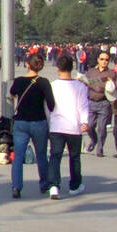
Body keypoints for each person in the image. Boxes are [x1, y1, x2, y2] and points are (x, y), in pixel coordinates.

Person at [9, 51, 55, 199]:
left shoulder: (18, 81)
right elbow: (51, 104)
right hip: (38, 122)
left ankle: (16, 187)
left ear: (27, 65)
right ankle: (44, 184)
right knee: (41, 155)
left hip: (21, 122)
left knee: (18, 156)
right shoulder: (43, 82)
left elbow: (11, 94)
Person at [46, 53, 89, 197]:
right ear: (72, 67)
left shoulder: (52, 86)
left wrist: (48, 121)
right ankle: (75, 185)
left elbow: (48, 107)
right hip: (73, 126)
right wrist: (84, 121)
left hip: (56, 126)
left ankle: (53, 185)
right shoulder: (80, 86)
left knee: (55, 156)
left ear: (57, 68)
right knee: (74, 157)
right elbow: (83, 106)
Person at [83, 50, 114, 155]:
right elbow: (85, 82)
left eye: (106, 60)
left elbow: (112, 88)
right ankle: (94, 139)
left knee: (101, 128)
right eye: (102, 59)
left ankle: (100, 149)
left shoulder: (111, 73)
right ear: (98, 60)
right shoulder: (91, 72)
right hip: (91, 102)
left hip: (104, 103)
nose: (104, 61)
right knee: (90, 126)